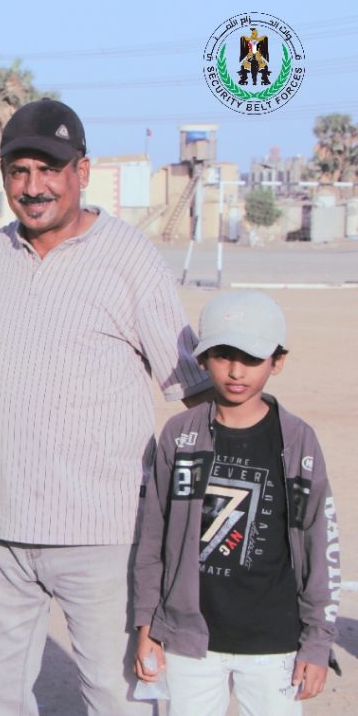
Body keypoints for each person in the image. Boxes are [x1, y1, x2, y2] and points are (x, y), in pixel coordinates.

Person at [0, 98, 212, 715]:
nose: (33, 187)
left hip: (105, 531)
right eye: (18, 171)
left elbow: (192, 388)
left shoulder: (128, 257)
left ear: (83, 171)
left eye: (49, 169)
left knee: (117, 696)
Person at [133, 291, 339, 715]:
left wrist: (317, 642)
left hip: (274, 640)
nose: (236, 371)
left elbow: (320, 545)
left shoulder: (298, 440)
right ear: (202, 360)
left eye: (251, 358)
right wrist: (146, 624)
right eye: (223, 355)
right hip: (190, 640)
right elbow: (152, 536)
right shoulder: (180, 435)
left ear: (277, 362)